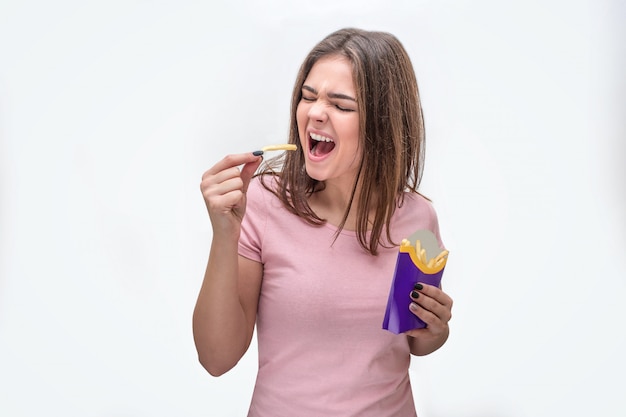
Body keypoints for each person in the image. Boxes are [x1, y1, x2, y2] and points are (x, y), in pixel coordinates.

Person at [194, 27, 453, 417]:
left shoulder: (417, 219)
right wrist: (224, 234)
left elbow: (413, 340)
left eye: (341, 105)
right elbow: (216, 358)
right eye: (308, 96)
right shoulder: (263, 204)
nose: (315, 112)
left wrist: (436, 331)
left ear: (383, 124)